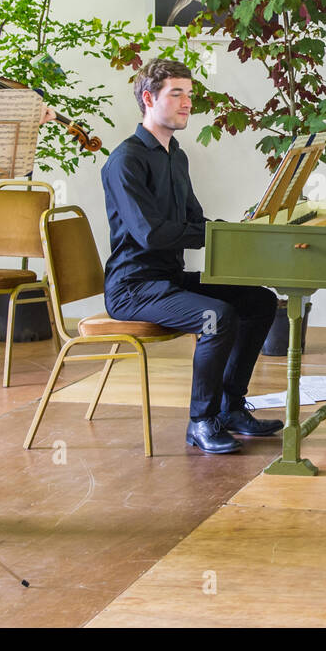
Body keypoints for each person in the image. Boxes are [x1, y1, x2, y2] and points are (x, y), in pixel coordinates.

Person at [101, 58, 281, 455]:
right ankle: (200, 421)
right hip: (133, 287)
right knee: (215, 317)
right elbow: (151, 234)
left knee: (259, 301)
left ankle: (230, 407)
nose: (187, 103)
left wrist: (237, 231)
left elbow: (195, 222)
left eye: (190, 94)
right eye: (176, 94)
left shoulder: (175, 155)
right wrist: (211, 233)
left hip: (166, 279)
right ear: (148, 98)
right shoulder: (125, 160)